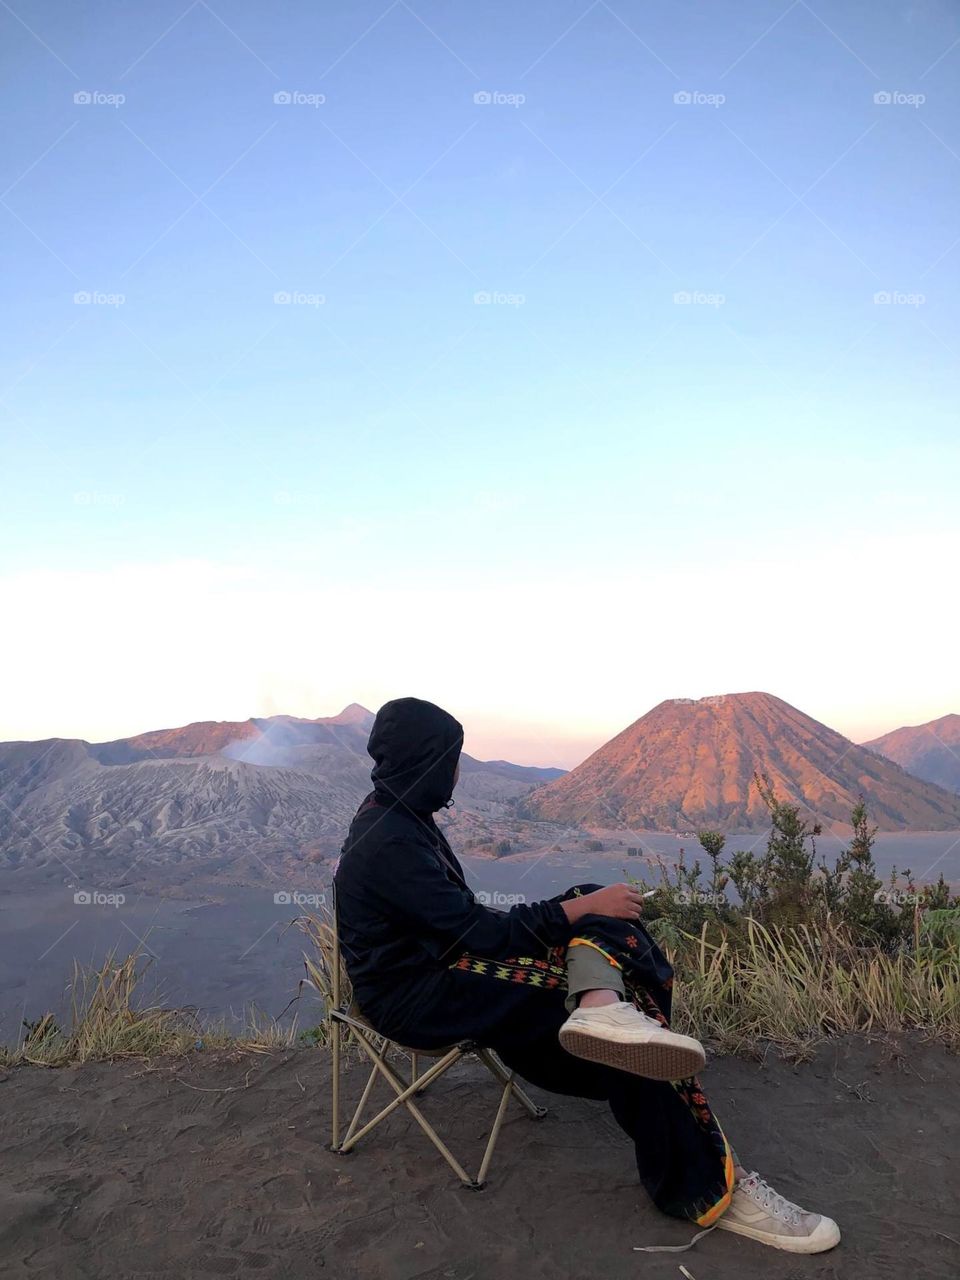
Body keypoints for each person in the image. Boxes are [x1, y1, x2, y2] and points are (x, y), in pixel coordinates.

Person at [334, 697, 840, 1255]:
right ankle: (709, 1188)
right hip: (416, 995)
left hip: (447, 965)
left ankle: (604, 1011)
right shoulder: (390, 841)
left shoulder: (399, 813)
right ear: (425, 762)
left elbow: (464, 929)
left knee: (588, 912)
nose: (457, 772)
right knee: (612, 1014)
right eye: (451, 760)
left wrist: (579, 908)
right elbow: (474, 935)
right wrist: (573, 914)